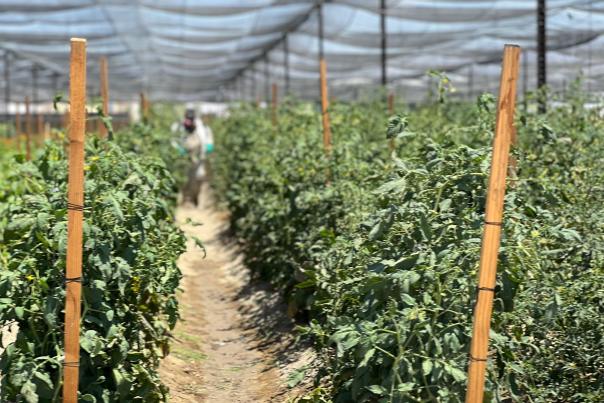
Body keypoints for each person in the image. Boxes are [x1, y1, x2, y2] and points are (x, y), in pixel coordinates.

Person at [179, 108, 214, 206]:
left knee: (199, 177)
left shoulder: (202, 128)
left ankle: (197, 197)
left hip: (199, 157)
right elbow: (176, 138)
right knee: (187, 179)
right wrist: (179, 148)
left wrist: (209, 146)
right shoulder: (180, 127)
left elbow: (207, 139)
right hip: (186, 158)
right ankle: (187, 199)